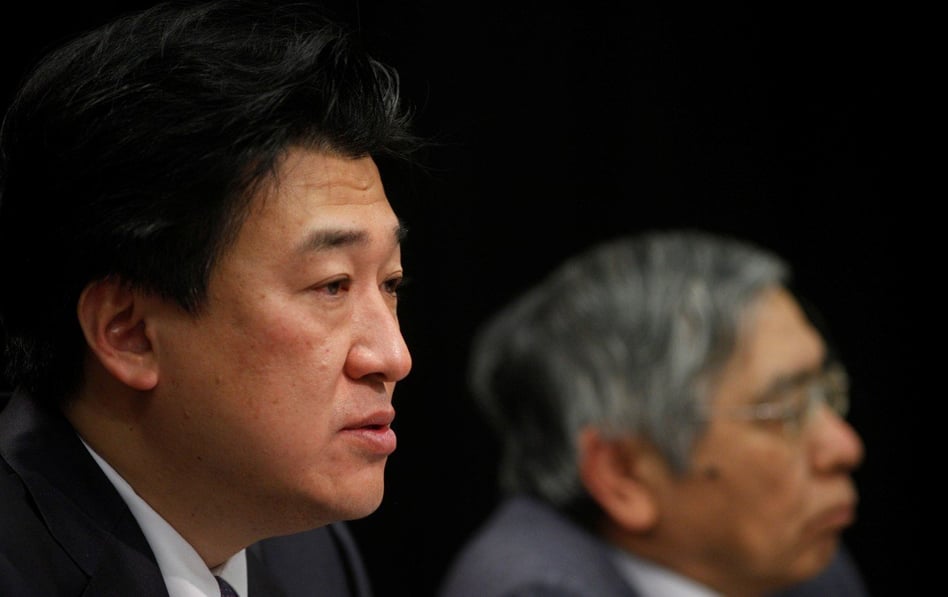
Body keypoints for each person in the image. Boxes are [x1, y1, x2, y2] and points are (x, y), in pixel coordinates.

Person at [0, 1, 421, 595]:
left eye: (391, 283)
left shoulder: (312, 559)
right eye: (332, 285)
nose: (393, 356)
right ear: (129, 331)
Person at [438, 229, 869, 597]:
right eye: (786, 411)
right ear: (624, 473)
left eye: (826, 391)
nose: (845, 447)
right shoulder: (535, 589)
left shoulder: (798, 562)